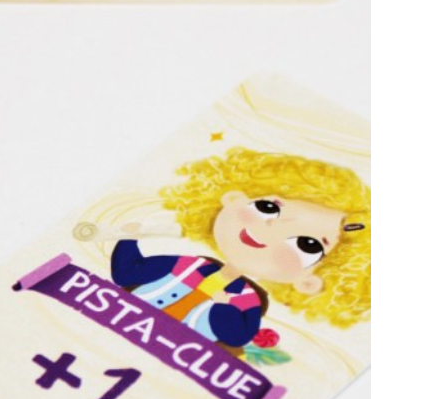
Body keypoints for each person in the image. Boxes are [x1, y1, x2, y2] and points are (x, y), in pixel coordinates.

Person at [110, 149, 371, 349]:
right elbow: (127, 274)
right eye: (268, 208)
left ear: (309, 282)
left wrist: (223, 306)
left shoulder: (247, 300)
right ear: (233, 199)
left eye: (308, 244)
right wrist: (129, 238)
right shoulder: (187, 266)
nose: (272, 228)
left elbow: (236, 337)